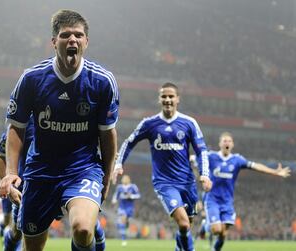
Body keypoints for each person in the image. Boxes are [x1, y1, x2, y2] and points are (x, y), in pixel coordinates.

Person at [0, 9, 119, 251]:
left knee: (84, 229)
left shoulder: (102, 82)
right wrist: (11, 172)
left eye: (78, 35)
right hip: (40, 171)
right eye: (65, 35)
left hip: (83, 169)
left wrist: (106, 175)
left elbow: (108, 135)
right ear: (54, 42)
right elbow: (16, 129)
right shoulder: (32, 79)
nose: (72, 40)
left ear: (86, 41)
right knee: (32, 245)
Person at [113, 82, 212, 251]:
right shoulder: (150, 123)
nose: (167, 99)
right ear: (159, 99)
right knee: (183, 224)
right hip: (165, 183)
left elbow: (201, 150)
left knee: (187, 224)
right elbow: (129, 142)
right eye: (164, 96)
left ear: (177, 99)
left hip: (188, 184)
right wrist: (118, 164)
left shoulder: (189, 123)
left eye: (171, 96)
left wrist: (204, 174)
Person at [204, 132, 291, 251]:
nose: (227, 143)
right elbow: (194, 158)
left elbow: (256, 166)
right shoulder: (211, 157)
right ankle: (205, 225)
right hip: (213, 199)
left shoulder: (237, 160)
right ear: (220, 143)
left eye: (229, 141)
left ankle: (215, 249)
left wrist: (274, 172)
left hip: (227, 201)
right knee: (216, 230)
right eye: (224, 141)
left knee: (223, 234)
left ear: (232, 144)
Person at [111, 174, 140, 246]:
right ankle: (123, 239)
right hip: (122, 207)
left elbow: (138, 195)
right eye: (123, 179)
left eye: (126, 179)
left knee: (125, 222)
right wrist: (114, 200)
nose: (124, 180)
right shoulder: (119, 187)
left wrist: (131, 196)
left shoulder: (133, 186)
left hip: (129, 207)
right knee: (122, 220)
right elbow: (116, 195)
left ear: (129, 179)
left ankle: (126, 227)